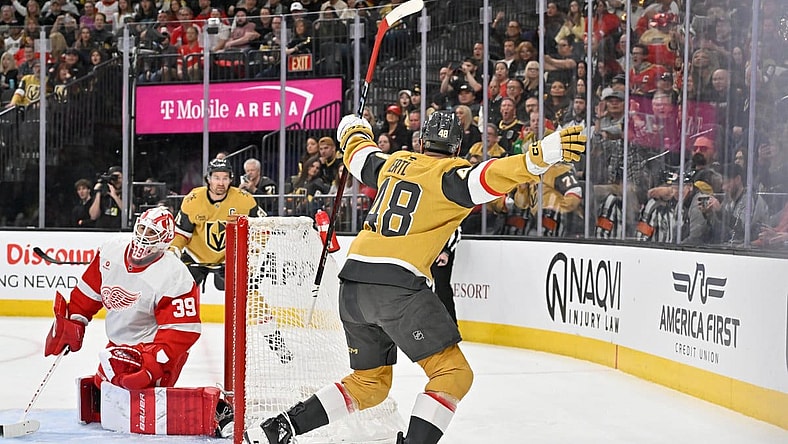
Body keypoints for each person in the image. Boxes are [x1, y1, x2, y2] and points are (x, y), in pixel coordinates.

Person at [243, 111, 586, 444]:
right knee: (453, 374)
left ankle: (282, 426)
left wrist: (352, 128)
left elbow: (359, 154)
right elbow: (494, 175)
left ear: (421, 141)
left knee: (370, 384)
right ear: (458, 147)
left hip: (353, 285)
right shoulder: (453, 176)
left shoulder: (394, 163)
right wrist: (541, 155)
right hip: (397, 286)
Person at [42, 206, 233, 438]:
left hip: (156, 349)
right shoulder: (111, 252)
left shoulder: (174, 274)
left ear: (164, 240)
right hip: (119, 345)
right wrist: (74, 321)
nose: (144, 236)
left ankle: (216, 409)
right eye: (142, 228)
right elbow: (88, 293)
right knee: (107, 390)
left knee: (146, 403)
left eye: (152, 233)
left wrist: (153, 365)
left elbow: (182, 330)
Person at [170, 158, 263, 292]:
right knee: (177, 290)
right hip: (196, 257)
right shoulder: (193, 200)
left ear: (231, 179)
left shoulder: (245, 200)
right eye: (216, 178)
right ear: (208, 179)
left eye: (225, 178)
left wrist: (255, 251)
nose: (221, 183)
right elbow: (182, 233)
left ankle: (256, 313)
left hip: (230, 258)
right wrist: (173, 249)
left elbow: (262, 228)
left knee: (250, 289)